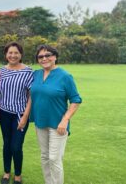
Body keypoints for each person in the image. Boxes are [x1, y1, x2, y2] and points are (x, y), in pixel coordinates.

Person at [30, 45, 82, 184]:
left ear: (55, 57)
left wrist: (65, 120)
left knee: (54, 158)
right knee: (45, 156)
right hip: (40, 122)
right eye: (40, 56)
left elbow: (76, 100)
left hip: (58, 124)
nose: (44, 58)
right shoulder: (36, 74)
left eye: (48, 55)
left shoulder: (65, 76)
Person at [0, 42, 34, 184]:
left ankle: (18, 174)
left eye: (16, 53)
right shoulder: (0, 71)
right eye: (10, 53)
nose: (13, 55)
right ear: (6, 54)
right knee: (7, 144)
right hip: (4, 113)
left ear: (21, 55)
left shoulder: (28, 71)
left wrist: (25, 116)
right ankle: (7, 172)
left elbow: (31, 95)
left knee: (16, 146)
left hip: (20, 114)